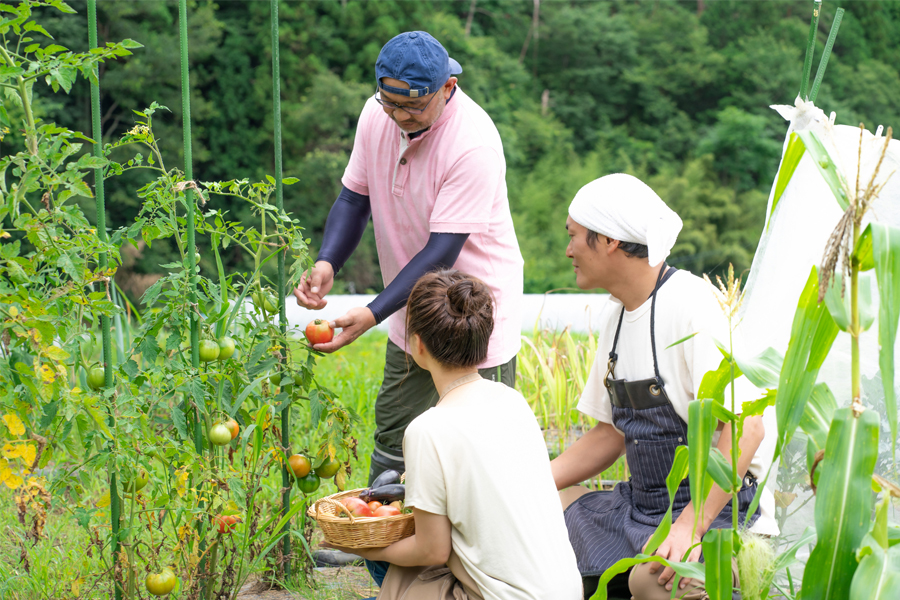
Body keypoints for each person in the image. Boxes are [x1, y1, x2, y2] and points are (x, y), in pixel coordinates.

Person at [293, 31, 523, 485]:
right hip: (411, 310)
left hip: (473, 315)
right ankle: (387, 552)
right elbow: (354, 198)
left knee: (476, 444)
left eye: (414, 108)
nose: (400, 118)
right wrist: (327, 262)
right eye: (390, 104)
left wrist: (373, 312)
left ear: (448, 88)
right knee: (397, 436)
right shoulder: (376, 114)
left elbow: (442, 253)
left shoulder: (472, 143)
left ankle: (460, 554)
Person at [551, 174, 779, 600]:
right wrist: (528, 483)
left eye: (575, 237)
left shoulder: (694, 307)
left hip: (722, 514)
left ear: (610, 241)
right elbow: (609, 434)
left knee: (652, 580)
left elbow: (747, 428)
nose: (569, 250)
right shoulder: (616, 315)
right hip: (645, 508)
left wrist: (692, 524)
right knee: (545, 511)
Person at [327, 270, 582, 600]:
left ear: (417, 344)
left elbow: (432, 551)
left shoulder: (428, 429)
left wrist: (369, 550)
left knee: (392, 565)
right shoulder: (512, 400)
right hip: (566, 591)